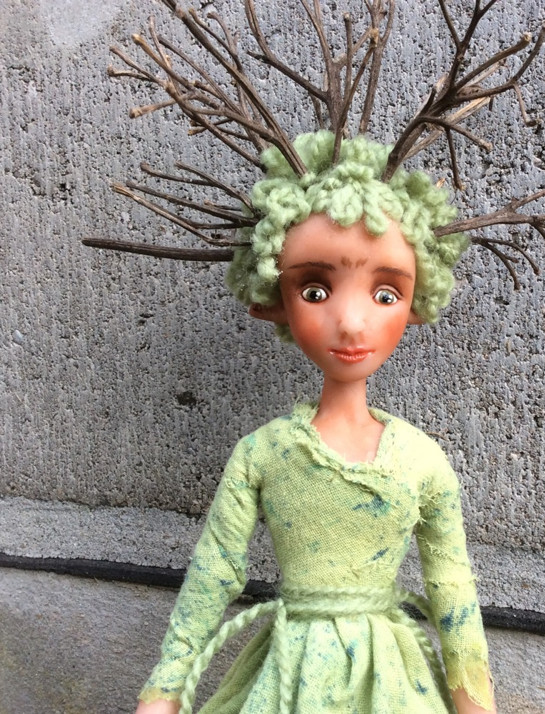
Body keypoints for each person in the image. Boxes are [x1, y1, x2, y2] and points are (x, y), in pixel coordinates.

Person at [133, 132, 496, 714]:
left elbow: (452, 589)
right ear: (270, 299)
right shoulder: (264, 453)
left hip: (391, 683)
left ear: (418, 303)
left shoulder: (421, 461)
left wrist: (475, 701)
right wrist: (166, 687)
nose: (350, 322)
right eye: (315, 289)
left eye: (386, 294)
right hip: (287, 677)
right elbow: (215, 569)